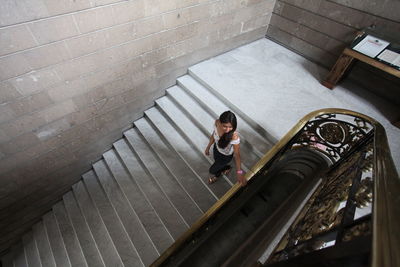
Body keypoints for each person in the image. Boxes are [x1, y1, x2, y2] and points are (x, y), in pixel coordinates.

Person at [204, 111, 246, 186]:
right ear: (220, 122)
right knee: (217, 162)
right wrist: (208, 147)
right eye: (225, 126)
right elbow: (214, 135)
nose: (227, 130)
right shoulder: (217, 123)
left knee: (212, 170)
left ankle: (218, 175)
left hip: (225, 156)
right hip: (216, 149)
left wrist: (239, 172)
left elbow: (237, 154)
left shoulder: (234, 136)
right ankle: (226, 168)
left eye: (230, 127)